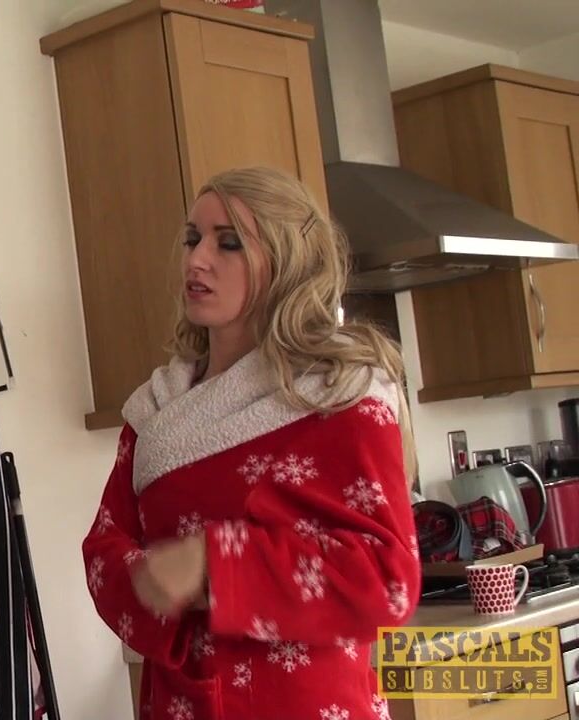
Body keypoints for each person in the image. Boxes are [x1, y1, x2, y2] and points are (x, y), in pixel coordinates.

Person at [81, 166, 421, 720]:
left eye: (229, 243)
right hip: (182, 702)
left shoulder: (341, 395)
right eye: (192, 238)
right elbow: (104, 547)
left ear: (285, 263)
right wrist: (153, 589)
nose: (197, 259)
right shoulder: (156, 410)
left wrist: (215, 568)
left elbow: (386, 578)